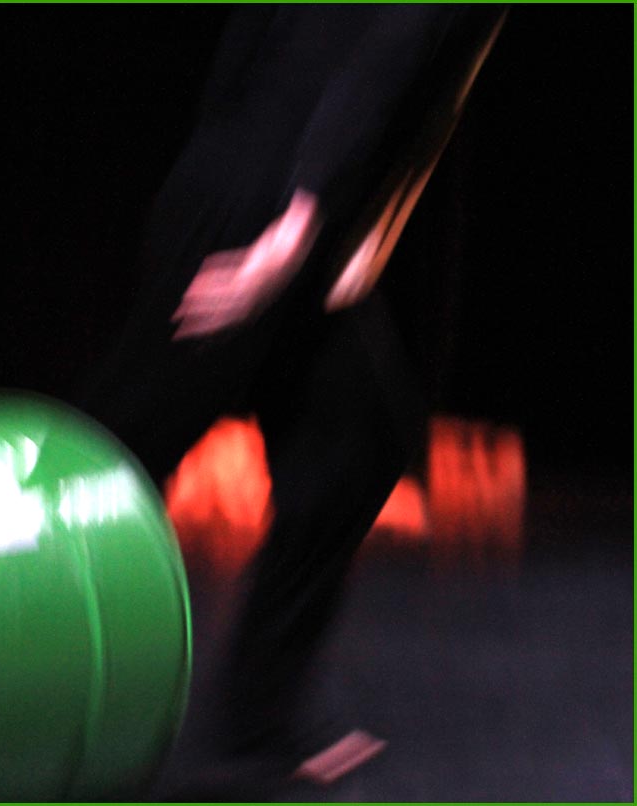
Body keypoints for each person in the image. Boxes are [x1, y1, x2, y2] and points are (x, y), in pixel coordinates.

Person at [79, 6, 506, 797]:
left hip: (282, 204)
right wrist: (289, 220)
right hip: (268, 217)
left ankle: (257, 724)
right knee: (118, 458)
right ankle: (5, 657)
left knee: (357, 449)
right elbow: (381, 64)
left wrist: (315, 213)